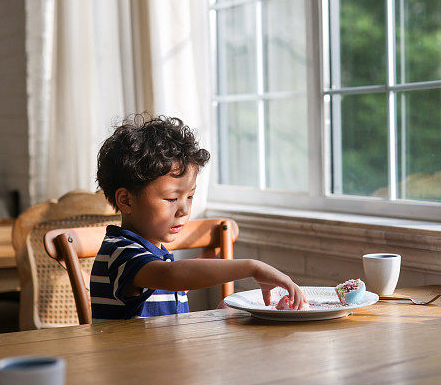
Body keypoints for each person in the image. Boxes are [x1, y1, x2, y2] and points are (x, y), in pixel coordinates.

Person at [90, 114, 306, 319]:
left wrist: (218, 314)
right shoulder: (121, 253)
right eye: (171, 199)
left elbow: (172, 330)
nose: (184, 210)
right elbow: (172, 276)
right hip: (130, 359)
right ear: (126, 200)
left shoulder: (157, 254)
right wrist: (253, 267)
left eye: (190, 196)